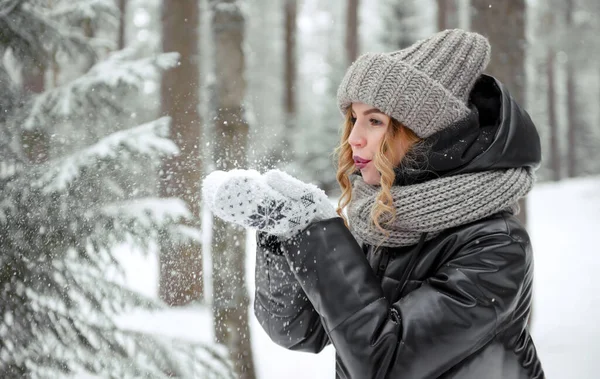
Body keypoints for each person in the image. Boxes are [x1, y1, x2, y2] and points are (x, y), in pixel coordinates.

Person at [203, 29, 545, 379]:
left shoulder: (498, 245)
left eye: (375, 121)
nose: (353, 138)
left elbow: (385, 362)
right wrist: (284, 230)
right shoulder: (384, 220)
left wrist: (318, 231)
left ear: (425, 132)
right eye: (354, 118)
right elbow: (297, 330)